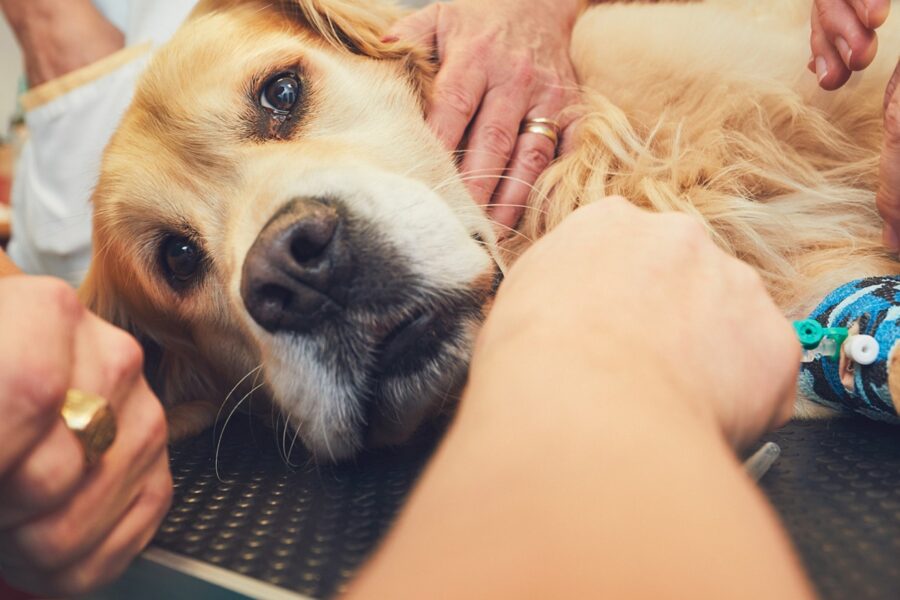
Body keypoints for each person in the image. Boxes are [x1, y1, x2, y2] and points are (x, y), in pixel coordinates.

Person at [0, 0, 892, 596]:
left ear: (396, 65)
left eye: (281, 97)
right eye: (183, 262)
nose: (276, 260)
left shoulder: (623, 77)